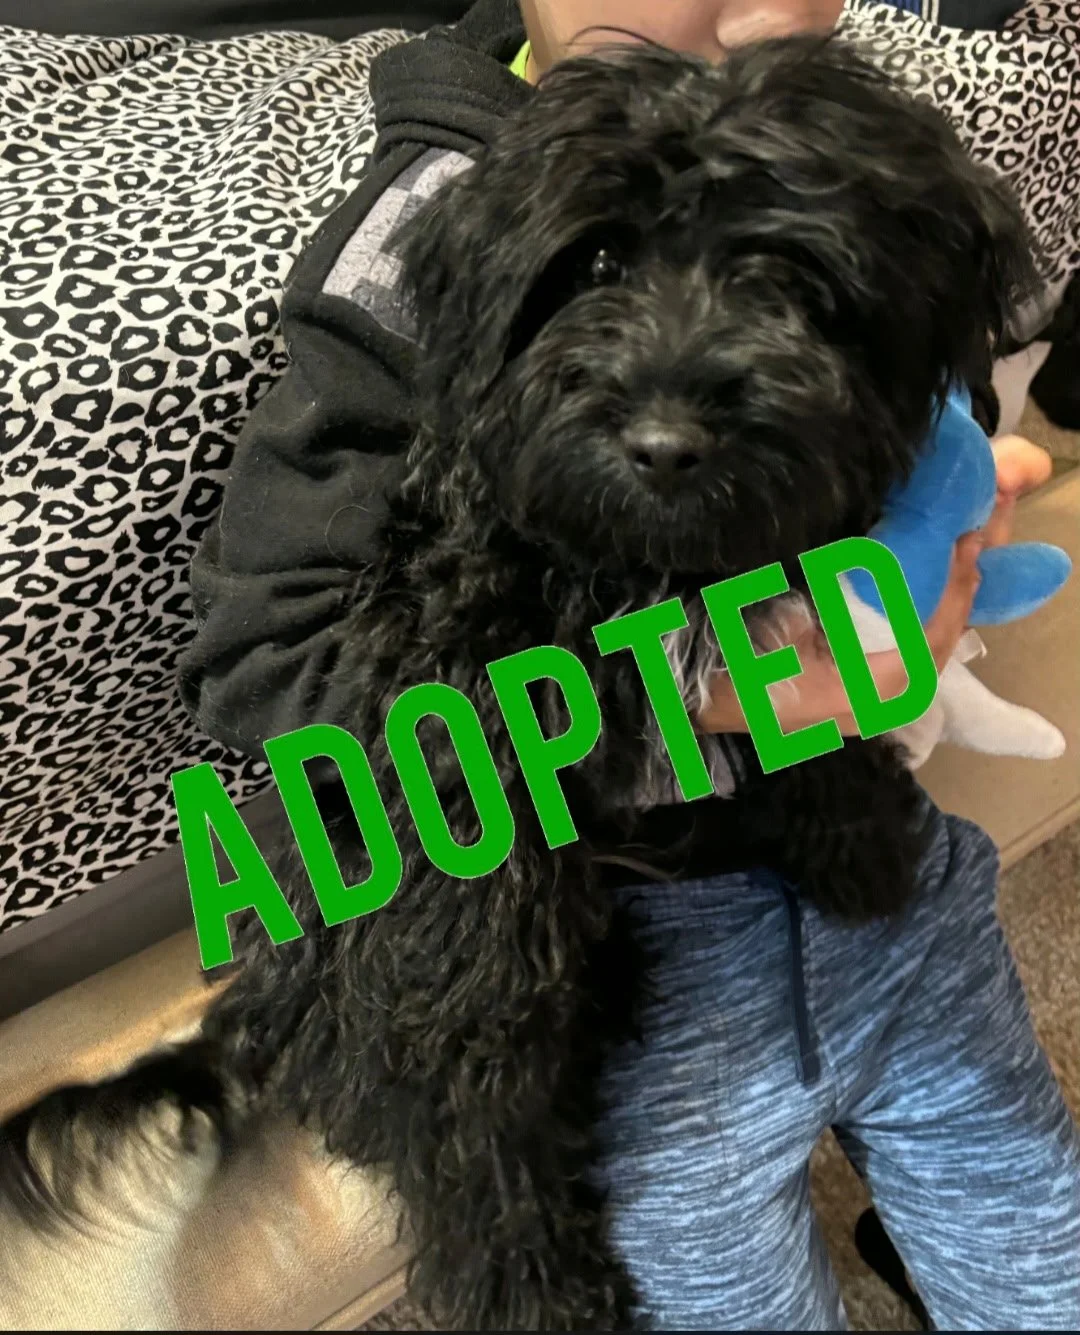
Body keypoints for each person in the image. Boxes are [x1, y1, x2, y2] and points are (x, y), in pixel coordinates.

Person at [178, 1, 1080, 1327]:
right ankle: (509, 1255)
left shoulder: (877, 163)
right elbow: (273, 672)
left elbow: (914, 424)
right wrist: (723, 694)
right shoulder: (413, 249)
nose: (762, 10)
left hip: (849, 867)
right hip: (564, 925)